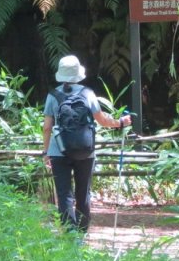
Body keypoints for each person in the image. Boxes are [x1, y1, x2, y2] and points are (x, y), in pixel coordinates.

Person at [42, 55, 131, 234]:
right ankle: (82, 234)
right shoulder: (87, 94)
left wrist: (45, 152)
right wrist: (120, 122)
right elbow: (103, 120)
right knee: (83, 194)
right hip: (85, 150)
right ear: (77, 74)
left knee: (64, 194)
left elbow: (46, 127)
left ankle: (70, 236)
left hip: (59, 151)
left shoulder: (52, 95)